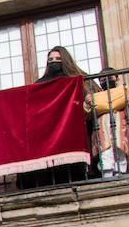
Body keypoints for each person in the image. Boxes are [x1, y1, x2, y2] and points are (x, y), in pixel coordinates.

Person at [19, 46, 95, 187]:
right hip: (49, 137)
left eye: (58, 59)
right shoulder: (40, 85)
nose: (54, 62)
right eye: (51, 60)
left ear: (65, 61)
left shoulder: (79, 81)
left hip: (73, 133)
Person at [89, 74, 129, 179]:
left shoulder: (124, 94)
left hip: (120, 130)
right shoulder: (97, 97)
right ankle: (107, 178)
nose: (106, 81)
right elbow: (88, 114)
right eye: (102, 80)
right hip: (103, 131)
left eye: (110, 78)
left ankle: (120, 177)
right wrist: (87, 104)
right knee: (105, 155)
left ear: (117, 79)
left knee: (120, 155)